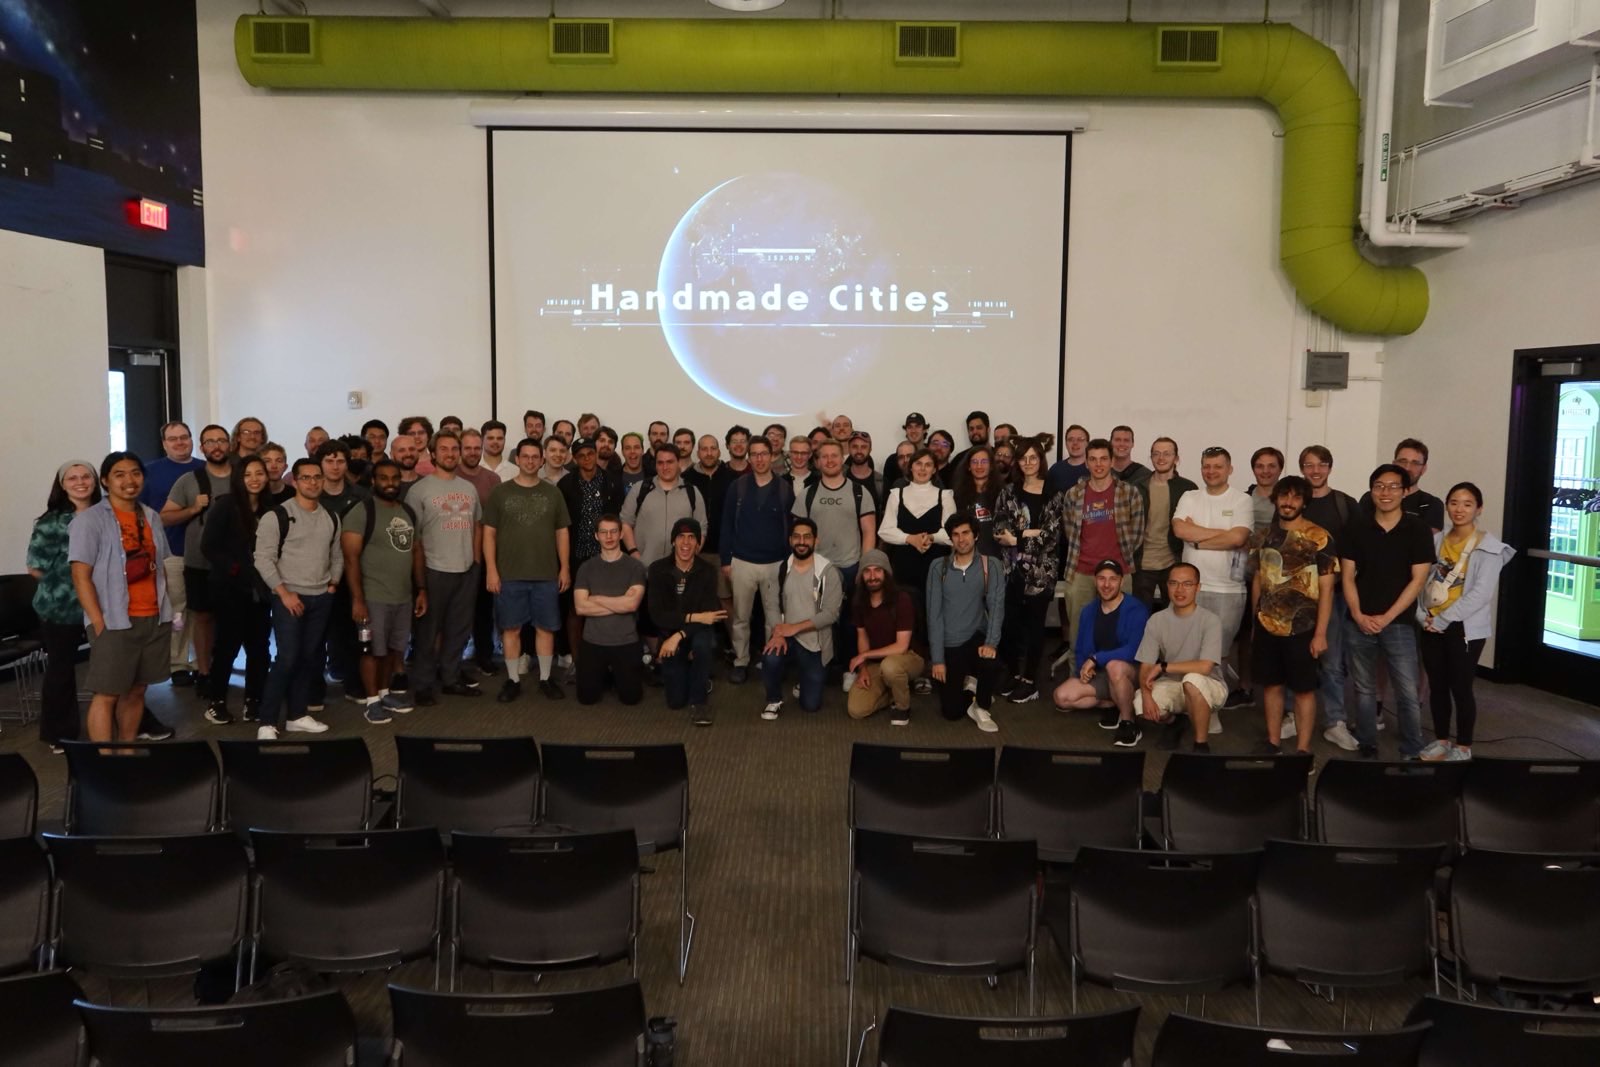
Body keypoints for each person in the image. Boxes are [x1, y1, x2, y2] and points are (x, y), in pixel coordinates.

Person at [69, 453, 175, 743]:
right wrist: (98, 623)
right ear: (105, 481)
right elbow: (80, 575)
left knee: (138, 690)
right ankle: (105, 759)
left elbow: (161, 565)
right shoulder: (89, 521)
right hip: (114, 620)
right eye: (119, 474)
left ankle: (126, 751)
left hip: (154, 617)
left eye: (135, 473)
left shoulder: (151, 516)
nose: (129, 480)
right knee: (107, 693)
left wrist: (168, 610)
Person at [1340, 464, 1435, 759]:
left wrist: (1387, 617)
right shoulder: (1356, 528)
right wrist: (1358, 615)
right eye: (1379, 486)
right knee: (1364, 689)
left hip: (1399, 622)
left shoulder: (1417, 529)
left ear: (1405, 492)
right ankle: (1367, 742)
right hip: (1359, 621)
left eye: (1394, 486)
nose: (1386, 492)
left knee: (1406, 690)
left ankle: (1412, 748)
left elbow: (1418, 580)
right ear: (1371, 491)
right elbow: (1347, 576)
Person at [1416, 482, 1515, 762]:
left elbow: (1481, 594)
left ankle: (1463, 747)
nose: (1459, 509)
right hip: (1431, 622)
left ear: (1478, 509)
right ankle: (1441, 741)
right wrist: (1422, 615)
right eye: (1454, 503)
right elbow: (1420, 581)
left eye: (1468, 504)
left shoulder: (1489, 548)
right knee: (1437, 685)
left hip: (1464, 628)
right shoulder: (1436, 540)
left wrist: (1444, 619)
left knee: (1460, 687)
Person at [253, 458, 342, 739]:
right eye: (306, 477)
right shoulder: (277, 515)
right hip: (289, 597)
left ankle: (297, 715)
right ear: (295, 481)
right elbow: (262, 558)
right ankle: (267, 721)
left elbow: (336, 555)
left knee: (309, 658)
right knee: (288, 658)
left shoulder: (331, 517)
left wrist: (333, 584)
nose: (313, 482)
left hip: (321, 596)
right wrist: (284, 593)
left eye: (317, 477)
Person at [1249, 476, 1337, 754]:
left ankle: (1303, 750)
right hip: (1267, 624)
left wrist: (1321, 633)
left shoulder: (1319, 537)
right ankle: (1273, 742)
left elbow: (1327, 588)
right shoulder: (1263, 536)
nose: (1289, 502)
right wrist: (1255, 622)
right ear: (1275, 499)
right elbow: (1258, 580)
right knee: (1271, 686)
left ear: (1304, 502)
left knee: (1303, 690)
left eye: (1296, 497)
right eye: (1284, 496)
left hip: (1304, 627)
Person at [484, 436, 571, 702]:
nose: (531, 461)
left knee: (546, 628)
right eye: (526, 456)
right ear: (518, 459)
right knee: (511, 629)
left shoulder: (553, 493)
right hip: (509, 574)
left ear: (542, 460)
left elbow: (562, 532)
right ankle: (512, 680)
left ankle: (545, 678)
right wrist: (491, 570)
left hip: (546, 574)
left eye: (535, 457)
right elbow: (489, 534)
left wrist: (564, 567)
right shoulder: (500, 492)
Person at [342, 458, 426, 725]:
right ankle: (372, 702)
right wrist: (358, 600)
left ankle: (384, 693)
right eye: (384, 478)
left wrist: (421, 589)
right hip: (372, 597)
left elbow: (416, 551)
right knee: (371, 651)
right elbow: (350, 559)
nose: (390, 483)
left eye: (395, 478)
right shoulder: (362, 511)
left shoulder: (407, 511)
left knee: (393, 649)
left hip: (402, 596)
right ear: (373, 481)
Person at [1171, 446, 1254, 711]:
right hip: (1191, 588)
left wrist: (1197, 539)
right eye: (1206, 466)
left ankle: (1211, 709)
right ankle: (1189, 706)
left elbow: (1238, 538)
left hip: (1227, 591)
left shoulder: (1241, 500)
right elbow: (1179, 529)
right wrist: (1221, 535)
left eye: (1218, 466)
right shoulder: (1189, 496)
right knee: (1187, 650)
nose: (1211, 471)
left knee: (1218, 655)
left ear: (1230, 469)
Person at [408, 430, 485, 705]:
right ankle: (423, 684)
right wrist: (420, 579)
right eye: (444, 449)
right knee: (428, 633)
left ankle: (451, 679)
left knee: (459, 629)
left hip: (466, 569)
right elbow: (414, 538)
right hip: (434, 569)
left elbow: (477, 526)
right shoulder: (419, 490)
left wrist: (475, 561)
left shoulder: (469, 488)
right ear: (433, 453)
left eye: (454, 449)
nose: (450, 454)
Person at [27, 461, 100, 751]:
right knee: (61, 670)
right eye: (73, 478)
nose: (80, 482)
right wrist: (67, 584)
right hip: (60, 608)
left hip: (102, 604)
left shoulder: (106, 514)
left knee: (120, 664)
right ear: (62, 484)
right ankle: (59, 734)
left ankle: (139, 722)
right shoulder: (51, 522)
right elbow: (35, 567)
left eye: (86, 476)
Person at [794, 438, 877, 688]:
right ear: (817, 462)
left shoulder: (859, 492)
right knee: (815, 622)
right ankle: (815, 669)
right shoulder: (808, 494)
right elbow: (799, 534)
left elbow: (869, 532)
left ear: (843, 459)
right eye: (824, 456)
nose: (829, 460)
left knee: (850, 623)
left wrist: (864, 567)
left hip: (851, 567)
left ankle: (849, 669)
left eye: (834, 456)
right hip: (817, 569)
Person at [200, 456, 275, 726]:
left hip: (260, 589)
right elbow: (209, 546)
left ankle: (253, 700)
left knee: (259, 648)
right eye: (247, 474)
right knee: (227, 647)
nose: (254, 479)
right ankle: (216, 702)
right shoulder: (226, 506)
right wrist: (235, 569)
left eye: (259, 473)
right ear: (238, 478)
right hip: (229, 588)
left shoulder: (270, 509)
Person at [160, 424, 234, 697]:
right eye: (210, 442)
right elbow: (165, 517)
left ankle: (227, 671)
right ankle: (204, 672)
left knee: (233, 620)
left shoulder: (243, 476)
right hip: (198, 561)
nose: (216, 446)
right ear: (202, 447)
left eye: (221, 440)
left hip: (236, 562)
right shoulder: (189, 480)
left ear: (229, 445)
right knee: (201, 617)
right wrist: (193, 508)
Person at [1058, 438, 1146, 667]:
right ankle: (1078, 679)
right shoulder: (1074, 494)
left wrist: (1116, 563)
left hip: (1119, 572)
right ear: (1086, 463)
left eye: (1104, 459)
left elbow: (1137, 533)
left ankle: (1116, 683)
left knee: (1121, 635)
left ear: (1112, 461)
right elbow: (1070, 531)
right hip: (1081, 572)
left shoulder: (1129, 493)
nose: (1098, 464)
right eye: (1093, 459)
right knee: (1078, 636)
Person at [879, 448, 956, 688]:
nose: (922, 469)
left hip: (936, 565)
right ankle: (908, 668)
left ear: (934, 469)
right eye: (918, 464)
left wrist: (931, 537)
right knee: (907, 615)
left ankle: (933, 667)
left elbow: (951, 533)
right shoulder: (897, 494)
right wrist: (909, 539)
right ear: (910, 467)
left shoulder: (944, 496)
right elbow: (885, 530)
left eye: (928, 464)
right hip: (904, 565)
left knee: (934, 615)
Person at [720, 437, 794, 685]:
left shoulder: (784, 488)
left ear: (772, 456)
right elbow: (726, 524)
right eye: (755, 454)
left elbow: (789, 528)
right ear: (749, 457)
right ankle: (740, 661)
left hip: (775, 564)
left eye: (764, 454)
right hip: (742, 562)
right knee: (741, 617)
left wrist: (788, 564)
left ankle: (771, 661)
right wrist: (726, 560)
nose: (760, 459)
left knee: (774, 619)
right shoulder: (738, 487)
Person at [1053, 559, 1150, 747]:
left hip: (1133, 672)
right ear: (1095, 581)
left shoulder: (1136, 609)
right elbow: (1081, 648)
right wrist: (1082, 671)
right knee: (1061, 697)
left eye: (1113, 579)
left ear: (1121, 581)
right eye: (1101, 579)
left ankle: (1129, 722)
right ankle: (1115, 702)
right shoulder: (1089, 611)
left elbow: (1134, 650)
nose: (1107, 585)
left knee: (1115, 667)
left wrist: (1096, 658)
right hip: (1102, 673)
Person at [926, 513, 1006, 733]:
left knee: (991, 662)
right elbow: (934, 615)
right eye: (956, 535)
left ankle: (982, 705)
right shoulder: (938, 567)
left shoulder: (991, 565)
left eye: (966, 533)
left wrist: (991, 643)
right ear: (951, 538)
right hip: (949, 644)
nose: (961, 539)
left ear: (976, 535)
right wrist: (937, 660)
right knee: (951, 712)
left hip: (975, 638)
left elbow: (996, 608)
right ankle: (971, 689)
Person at [1135, 563, 1227, 752]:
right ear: (1167, 586)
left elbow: (1205, 667)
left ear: (1198, 587)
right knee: (1140, 704)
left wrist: (1163, 667)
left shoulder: (1210, 620)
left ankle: (1201, 744)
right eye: (1174, 583)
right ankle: (1176, 721)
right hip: (1173, 683)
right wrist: (1146, 694)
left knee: (1192, 680)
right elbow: (1146, 664)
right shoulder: (1157, 620)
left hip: (1209, 684)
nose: (1179, 590)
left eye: (1187, 584)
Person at [994, 437, 1059, 702]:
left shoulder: (1053, 492)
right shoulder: (1008, 491)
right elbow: (999, 530)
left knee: (1034, 629)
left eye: (1033, 457)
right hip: (1011, 571)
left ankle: (1030, 680)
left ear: (1040, 460)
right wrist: (1031, 532)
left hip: (1041, 573)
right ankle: (1012, 673)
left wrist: (1018, 538)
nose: (1028, 462)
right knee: (1009, 626)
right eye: (1023, 458)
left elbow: (1051, 536)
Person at [759, 517, 842, 720]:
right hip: (785, 637)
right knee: (770, 657)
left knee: (811, 705)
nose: (801, 542)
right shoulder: (780, 570)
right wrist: (778, 632)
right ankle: (773, 699)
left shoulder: (829, 572)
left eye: (807, 537)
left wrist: (794, 628)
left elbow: (831, 614)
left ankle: (803, 682)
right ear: (790, 540)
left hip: (815, 643)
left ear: (816, 540)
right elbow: (771, 605)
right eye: (796, 537)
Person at [141, 421, 203, 687]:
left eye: (184, 437)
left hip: (204, 554)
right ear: (164, 444)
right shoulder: (149, 472)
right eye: (173, 439)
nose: (180, 442)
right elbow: (140, 512)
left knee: (202, 610)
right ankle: (178, 664)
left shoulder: (204, 468)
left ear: (191, 439)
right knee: (177, 609)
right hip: (170, 551)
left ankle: (202, 662)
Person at [648, 518, 725, 726]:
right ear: (673, 541)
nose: (686, 543)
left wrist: (680, 635)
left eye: (692, 538)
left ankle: (700, 702)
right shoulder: (657, 569)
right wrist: (693, 617)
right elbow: (657, 615)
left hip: (696, 633)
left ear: (698, 543)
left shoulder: (707, 570)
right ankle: (692, 672)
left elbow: (709, 617)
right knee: (675, 702)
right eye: (681, 536)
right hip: (669, 632)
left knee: (702, 645)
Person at [574, 514, 648, 706]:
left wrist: (596, 598)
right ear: (596, 536)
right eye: (604, 532)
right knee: (586, 699)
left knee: (631, 699)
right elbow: (580, 607)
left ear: (621, 534)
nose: (609, 537)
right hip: (593, 641)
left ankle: (615, 676)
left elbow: (631, 605)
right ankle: (606, 676)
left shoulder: (635, 567)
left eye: (614, 532)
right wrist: (619, 603)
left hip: (626, 641)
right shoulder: (586, 568)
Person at [846, 549, 921, 724]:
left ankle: (902, 707)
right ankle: (893, 692)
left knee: (890, 667)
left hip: (907, 658)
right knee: (856, 710)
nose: (872, 576)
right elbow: (862, 637)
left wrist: (864, 655)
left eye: (878, 570)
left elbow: (901, 646)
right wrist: (863, 668)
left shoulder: (902, 599)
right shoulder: (859, 602)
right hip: (876, 664)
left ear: (886, 573)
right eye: (867, 571)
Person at [1132, 437, 1197, 611]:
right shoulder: (1137, 487)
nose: (1161, 458)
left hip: (1173, 563)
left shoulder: (1188, 489)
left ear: (1176, 458)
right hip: (1142, 564)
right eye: (1156, 454)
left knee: (1175, 615)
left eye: (1167, 454)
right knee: (1140, 616)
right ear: (1151, 457)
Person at [622, 443, 706, 567]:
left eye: (670, 462)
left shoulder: (692, 492)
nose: (665, 467)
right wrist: (634, 553)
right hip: (644, 566)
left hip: (680, 569)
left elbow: (702, 528)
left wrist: (691, 556)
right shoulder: (640, 489)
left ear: (678, 463)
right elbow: (625, 522)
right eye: (660, 463)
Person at [1361, 438, 1445, 532]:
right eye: (1402, 461)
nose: (1407, 468)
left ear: (1423, 469)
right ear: (1393, 464)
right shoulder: (1371, 497)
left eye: (1415, 463)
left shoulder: (1431, 504)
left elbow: (1426, 538)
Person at [951, 446, 1001, 560]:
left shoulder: (1003, 495)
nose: (979, 466)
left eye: (984, 461)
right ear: (968, 466)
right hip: (967, 559)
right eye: (974, 462)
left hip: (997, 559)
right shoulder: (957, 496)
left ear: (991, 466)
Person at [1246, 446, 1284, 531]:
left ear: (1280, 469)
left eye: (1272, 466)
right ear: (1253, 470)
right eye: (1260, 466)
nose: (1265, 471)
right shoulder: (1242, 499)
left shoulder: (1292, 500)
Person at [1045, 423, 1090, 495]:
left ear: (1087, 443)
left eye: (1080, 439)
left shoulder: (1095, 468)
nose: (1075, 443)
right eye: (1070, 439)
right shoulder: (1055, 470)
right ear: (1066, 444)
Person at [618, 432, 649, 497]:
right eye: (627, 448)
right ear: (622, 452)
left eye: (636, 447)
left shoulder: (654, 477)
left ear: (642, 450)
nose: (632, 451)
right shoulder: (612, 478)